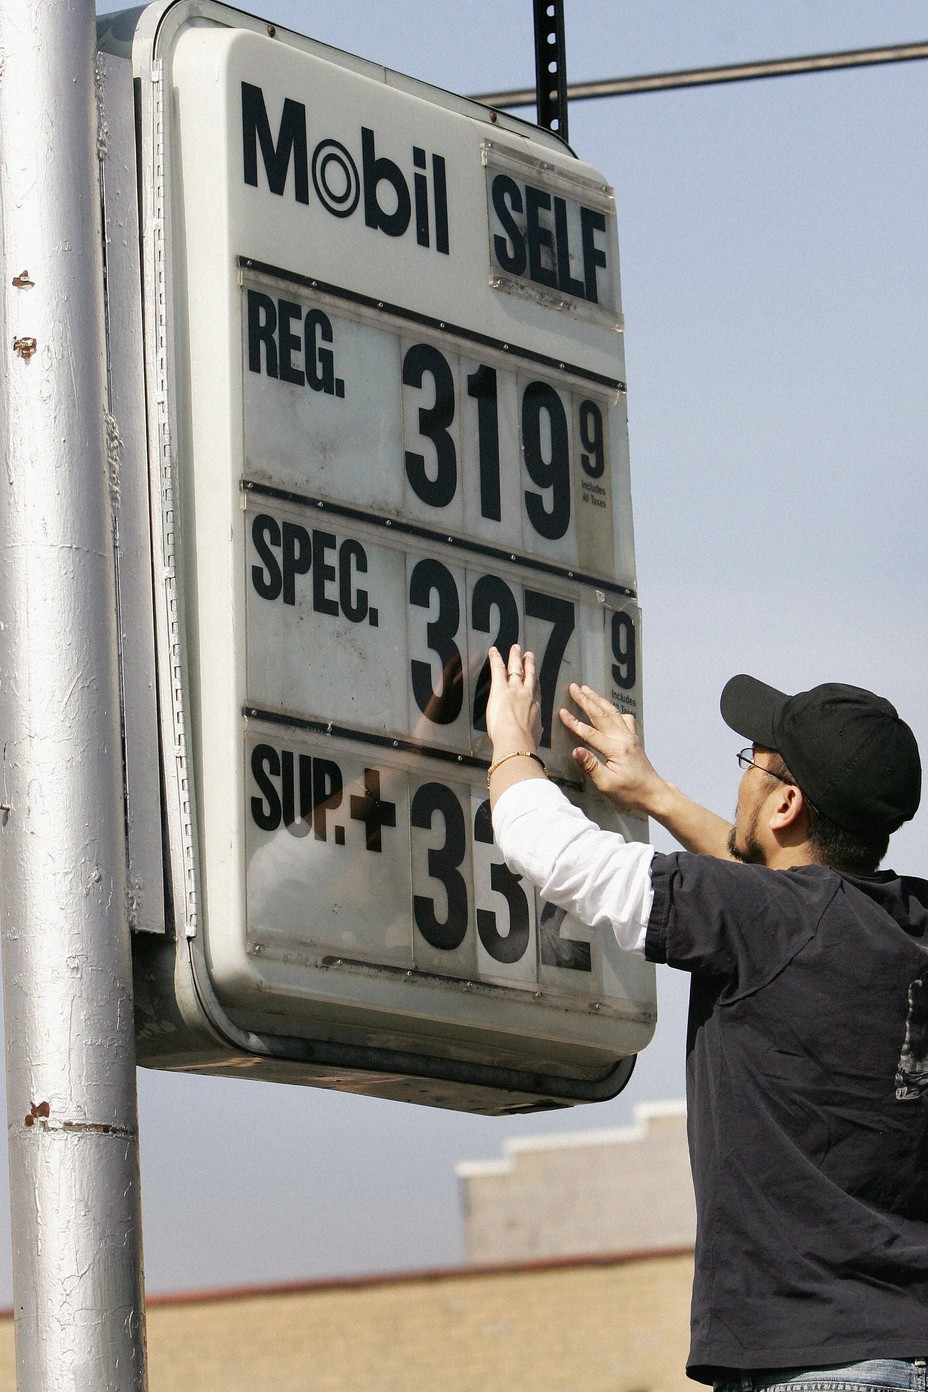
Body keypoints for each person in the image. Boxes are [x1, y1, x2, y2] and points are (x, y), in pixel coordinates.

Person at [485, 644, 928, 1390]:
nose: (742, 779)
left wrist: (509, 744)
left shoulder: (772, 922)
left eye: (752, 764)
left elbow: (559, 856)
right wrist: (654, 794)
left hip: (815, 1368)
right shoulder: (905, 924)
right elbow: (767, 883)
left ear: (785, 803)